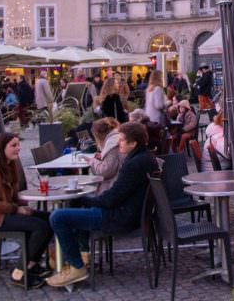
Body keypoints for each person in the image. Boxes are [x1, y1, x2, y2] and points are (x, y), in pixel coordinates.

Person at [47, 122, 159, 288]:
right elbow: (116, 194)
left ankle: (76, 267)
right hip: (127, 213)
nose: (117, 143)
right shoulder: (144, 158)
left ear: (133, 143)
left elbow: (110, 199)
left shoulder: (134, 164)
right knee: (76, 208)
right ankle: (81, 256)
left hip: (118, 217)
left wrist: (85, 199)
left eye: (121, 140)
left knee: (58, 217)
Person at [0, 132, 53, 288]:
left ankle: (31, 265)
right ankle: (20, 272)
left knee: (51, 218)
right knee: (39, 226)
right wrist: (16, 209)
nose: (18, 149)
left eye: (18, 145)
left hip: (6, 212)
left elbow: (13, 194)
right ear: (1, 148)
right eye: (13, 145)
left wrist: (22, 204)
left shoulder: (10, 165)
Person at [85, 118, 124, 193]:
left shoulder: (112, 144)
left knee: (84, 196)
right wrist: (102, 157)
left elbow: (105, 172)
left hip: (112, 190)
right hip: (118, 185)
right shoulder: (116, 137)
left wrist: (92, 162)